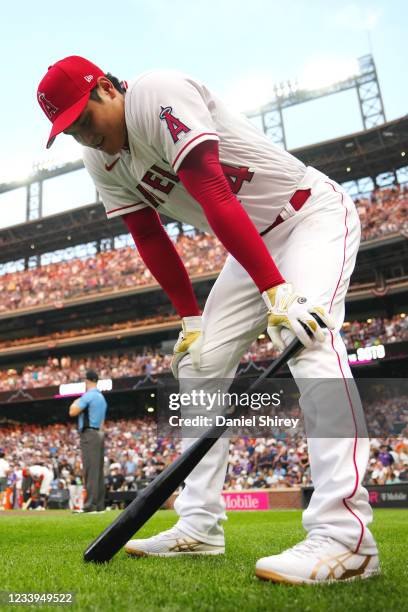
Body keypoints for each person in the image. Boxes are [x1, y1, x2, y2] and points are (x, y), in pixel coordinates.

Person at [37, 56, 379, 583]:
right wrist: (191, 319)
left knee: (305, 337)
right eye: (70, 130)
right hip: (251, 246)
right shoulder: (99, 160)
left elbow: (212, 189)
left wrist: (278, 293)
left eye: (85, 120)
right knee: (198, 366)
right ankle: (199, 526)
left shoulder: (158, 92)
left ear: (106, 88)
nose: (83, 136)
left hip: (307, 214)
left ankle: (347, 537)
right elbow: (149, 236)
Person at [69, 369, 107, 513]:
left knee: (90, 470)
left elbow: (72, 412)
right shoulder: (101, 397)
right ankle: (99, 505)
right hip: (99, 433)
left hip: (89, 434)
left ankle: (90, 505)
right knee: (98, 470)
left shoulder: (88, 396)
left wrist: (75, 402)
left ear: (87, 380)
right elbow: (103, 421)